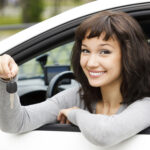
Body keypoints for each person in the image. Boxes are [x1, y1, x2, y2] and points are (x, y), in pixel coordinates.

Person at [0, 10, 150, 147]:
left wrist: (75, 114)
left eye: (104, 51)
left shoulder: (146, 104)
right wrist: (6, 79)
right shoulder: (77, 96)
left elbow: (105, 134)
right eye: (85, 50)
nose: (90, 63)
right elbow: (15, 123)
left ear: (129, 55)